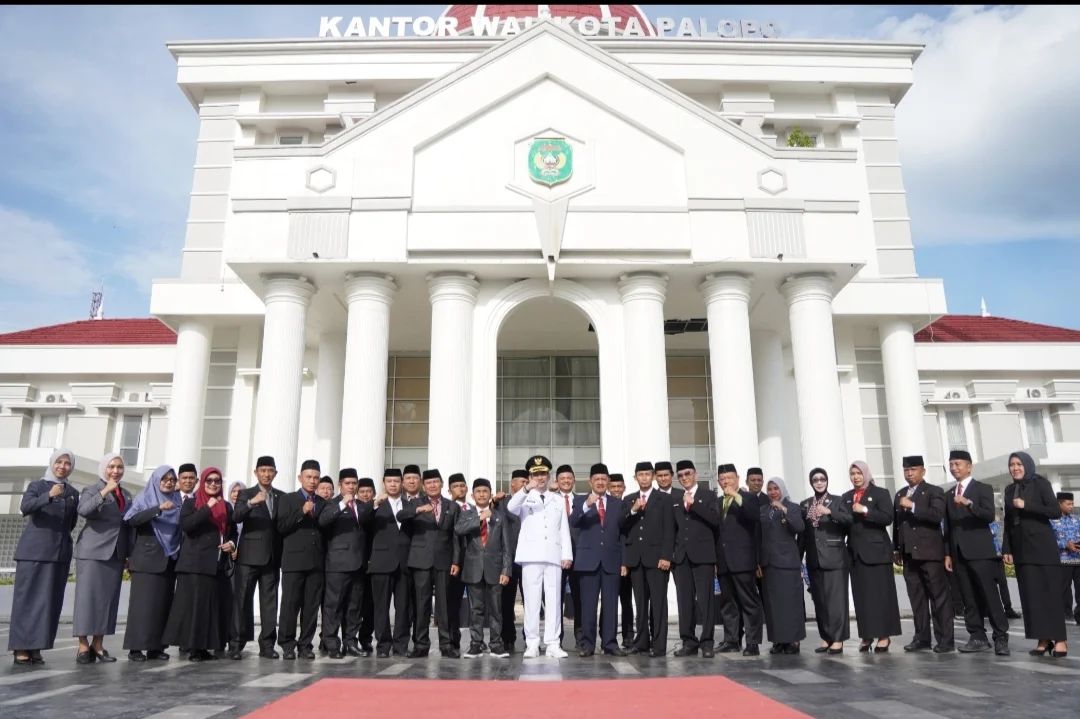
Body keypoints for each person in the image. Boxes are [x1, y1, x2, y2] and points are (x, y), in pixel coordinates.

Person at [8, 448, 80, 666]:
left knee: (49, 602)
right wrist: (48, 496)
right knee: (27, 601)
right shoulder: (37, 486)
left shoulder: (73, 492)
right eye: (59, 462)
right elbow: (26, 507)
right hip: (34, 551)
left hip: (59, 553)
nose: (62, 467)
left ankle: (37, 646)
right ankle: (21, 647)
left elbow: (72, 522)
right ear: (52, 463)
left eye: (67, 463)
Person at [163, 466, 237, 661]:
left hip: (216, 565)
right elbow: (187, 525)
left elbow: (232, 532)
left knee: (209, 608)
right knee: (194, 608)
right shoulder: (193, 502)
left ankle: (205, 647)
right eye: (209, 480)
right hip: (195, 564)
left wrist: (231, 543)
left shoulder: (226, 506)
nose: (213, 484)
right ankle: (193, 648)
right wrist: (208, 507)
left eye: (217, 481)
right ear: (202, 482)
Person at [506, 455, 573, 659]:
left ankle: (553, 643)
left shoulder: (557, 499)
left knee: (554, 601)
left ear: (549, 474)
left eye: (543, 473)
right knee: (532, 602)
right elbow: (511, 508)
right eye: (536, 474)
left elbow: (563, 529)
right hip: (531, 556)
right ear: (530, 476)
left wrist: (566, 554)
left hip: (553, 555)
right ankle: (532, 642)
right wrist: (526, 488)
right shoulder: (524, 496)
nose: (540, 477)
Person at [943, 449, 1009, 655]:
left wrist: (969, 503)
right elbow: (948, 527)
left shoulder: (982, 489)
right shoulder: (948, 494)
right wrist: (947, 553)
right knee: (968, 598)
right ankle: (977, 636)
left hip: (980, 552)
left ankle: (1001, 637)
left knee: (989, 595)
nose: (954, 468)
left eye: (958, 464)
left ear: (969, 466)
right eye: (951, 464)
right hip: (958, 553)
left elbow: (989, 515)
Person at [1003, 451, 1067, 657]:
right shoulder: (1009, 489)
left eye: (1019, 464)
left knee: (1049, 594)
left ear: (1027, 465)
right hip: (1022, 549)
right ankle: (1043, 638)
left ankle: (1060, 639)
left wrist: (1026, 505)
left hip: (1042, 548)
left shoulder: (1041, 484)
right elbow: (1007, 521)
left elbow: (1055, 512)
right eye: (1012, 464)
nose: (1015, 468)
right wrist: (1007, 548)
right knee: (1032, 596)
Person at [72, 452, 134, 664]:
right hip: (92, 552)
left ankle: (98, 644)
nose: (115, 471)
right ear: (103, 468)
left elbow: (127, 525)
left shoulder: (126, 494)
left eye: (119, 467)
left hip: (115, 554)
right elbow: (84, 510)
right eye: (111, 467)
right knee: (86, 599)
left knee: (108, 601)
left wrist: (128, 554)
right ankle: (82, 645)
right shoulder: (91, 489)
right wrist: (105, 490)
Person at [833, 460, 900, 653]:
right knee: (862, 597)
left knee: (880, 595)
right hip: (855, 553)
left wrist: (865, 510)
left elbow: (887, 517)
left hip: (876, 553)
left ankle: (884, 635)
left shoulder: (880, 493)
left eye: (859, 473)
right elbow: (845, 524)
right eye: (852, 473)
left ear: (866, 473)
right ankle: (867, 634)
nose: (856, 476)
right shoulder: (846, 497)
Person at [891, 455, 954, 654]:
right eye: (906, 470)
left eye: (914, 469)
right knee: (917, 599)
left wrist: (914, 506)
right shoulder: (900, 493)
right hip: (909, 554)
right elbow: (897, 524)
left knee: (938, 598)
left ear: (923, 471)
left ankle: (945, 639)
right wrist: (896, 548)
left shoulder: (934, 491)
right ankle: (922, 637)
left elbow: (937, 516)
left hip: (930, 553)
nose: (909, 473)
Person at [397, 468, 461, 658]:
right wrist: (417, 510)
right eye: (429, 483)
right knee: (421, 604)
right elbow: (400, 516)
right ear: (424, 486)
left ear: (442, 484)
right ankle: (421, 644)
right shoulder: (414, 503)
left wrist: (456, 560)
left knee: (444, 606)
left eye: (436, 482)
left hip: (444, 561)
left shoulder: (452, 506)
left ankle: (446, 644)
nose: (432, 485)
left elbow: (456, 537)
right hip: (420, 560)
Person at [229, 455, 286, 660]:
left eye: (270, 470)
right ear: (256, 472)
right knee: (242, 600)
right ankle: (235, 644)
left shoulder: (281, 496)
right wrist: (252, 503)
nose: (266, 474)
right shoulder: (246, 494)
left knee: (270, 603)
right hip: (248, 557)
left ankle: (268, 645)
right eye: (262, 470)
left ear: (275, 473)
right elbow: (236, 517)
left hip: (272, 557)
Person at [123, 465, 181, 661]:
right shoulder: (144, 498)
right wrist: (157, 509)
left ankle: (156, 647)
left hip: (169, 558)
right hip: (147, 559)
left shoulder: (177, 499)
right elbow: (131, 520)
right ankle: (136, 648)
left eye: (172, 479)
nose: (168, 482)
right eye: (164, 479)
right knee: (142, 606)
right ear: (155, 480)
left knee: (161, 606)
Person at [318, 468, 373, 659]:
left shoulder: (361, 505)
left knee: (354, 606)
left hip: (358, 563)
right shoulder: (331, 504)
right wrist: (342, 504)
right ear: (340, 484)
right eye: (347, 483)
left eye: (354, 483)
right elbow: (323, 521)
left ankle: (351, 641)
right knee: (333, 605)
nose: (351, 486)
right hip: (337, 564)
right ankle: (331, 642)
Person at [455, 478, 514, 658]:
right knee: (476, 609)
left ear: (490, 495)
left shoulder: (499, 516)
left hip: (495, 569)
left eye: (485, 491)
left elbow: (506, 546)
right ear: (473, 495)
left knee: (496, 609)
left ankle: (496, 643)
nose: (482, 494)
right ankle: (476, 643)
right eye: (478, 491)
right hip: (473, 569)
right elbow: (459, 529)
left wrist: (506, 570)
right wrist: (480, 517)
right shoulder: (467, 514)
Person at [621, 460, 673, 657]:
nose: (644, 478)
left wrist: (666, 555)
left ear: (652, 476)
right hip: (636, 559)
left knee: (658, 603)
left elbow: (669, 529)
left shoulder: (663, 499)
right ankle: (641, 641)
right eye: (640, 475)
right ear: (635, 478)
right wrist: (633, 509)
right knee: (640, 603)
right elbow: (622, 526)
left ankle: (659, 645)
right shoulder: (629, 499)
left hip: (657, 558)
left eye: (647, 474)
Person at [668, 461, 719, 657]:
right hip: (681, 556)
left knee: (705, 600)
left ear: (696, 475)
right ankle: (688, 641)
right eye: (680, 475)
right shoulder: (675, 498)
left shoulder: (708, 495)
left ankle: (707, 642)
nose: (684, 477)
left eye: (687, 473)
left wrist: (694, 504)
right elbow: (672, 529)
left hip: (703, 555)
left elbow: (715, 521)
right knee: (684, 601)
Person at [715, 463, 763, 656]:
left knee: (749, 602)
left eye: (729, 478)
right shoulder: (718, 502)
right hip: (724, 562)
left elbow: (753, 516)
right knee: (728, 604)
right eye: (723, 479)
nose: (726, 481)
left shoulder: (749, 498)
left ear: (737, 478)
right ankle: (732, 639)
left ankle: (752, 642)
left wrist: (736, 495)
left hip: (743, 561)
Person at [800, 468, 849, 654]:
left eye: (822, 479)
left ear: (827, 481)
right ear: (811, 482)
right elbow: (803, 535)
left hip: (834, 557)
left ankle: (838, 639)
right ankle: (826, 637)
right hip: (814, 559)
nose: (819, 482)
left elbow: (848, 519)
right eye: (815, 479)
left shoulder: (837, 500)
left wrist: (830, 512)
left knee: (836, 601)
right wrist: (798, 558)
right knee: (820, 600)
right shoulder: (805, 504)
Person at [757, 477, 805, 654]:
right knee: (773, 604)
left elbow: (799, 527)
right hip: (769, 563)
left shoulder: (792, 507)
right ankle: (778, 640)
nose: (772, 492)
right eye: (769, 489)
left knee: (790, 603)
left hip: (786, 563)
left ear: (782, 489)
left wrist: (784, 509)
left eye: (776, 488)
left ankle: (793, 640)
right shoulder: (763, 509)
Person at [497, 469, 527, 653]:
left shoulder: (533, 502)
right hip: (508, 559)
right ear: (512, 485)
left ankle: (530, 639)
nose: (525, 484)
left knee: (531, 602)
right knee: (506, 602)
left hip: (529, 560)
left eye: (527, 481)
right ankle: (507, 637)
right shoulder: (503, 503)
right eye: (521, 481)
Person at [605, 473, 636, 651]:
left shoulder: (630, 504)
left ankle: (628, 635)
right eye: (613, 487)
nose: (616, 490)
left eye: (619, 487)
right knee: (608, 600)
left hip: (628, 558)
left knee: (626, 599)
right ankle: (606, 635)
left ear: (624, 488)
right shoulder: (606, 505)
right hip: (610, 559)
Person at [553, 464, 582, 650]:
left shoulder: (582, 500)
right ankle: (557, 640)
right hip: (556, 557)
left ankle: (581, 638)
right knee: (556, 600)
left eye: (569, 478)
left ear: (574, 480)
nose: (566, 481)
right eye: (562, 478)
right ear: (557, 481)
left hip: (580, 557)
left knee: (580, 599)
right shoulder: (550, 500)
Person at [447, 473, 471, 650]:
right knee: (452, 602)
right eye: (456, 486)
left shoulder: (473, 508)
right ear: (449, 490)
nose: (460, 489)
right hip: (455, 561)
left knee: (477, 602)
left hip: (473, 561)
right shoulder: (447, 508)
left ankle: (477, 640)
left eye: (462, 485)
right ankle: (452, 637)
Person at [1050, 492, 1080, 626]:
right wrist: (1065, 545)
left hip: (1078, 560)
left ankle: (1078, 614)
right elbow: (1048, 541)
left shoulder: (1077, 519)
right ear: (1059, 504)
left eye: (1072, 504)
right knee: (1065, 589)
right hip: (1063, 560)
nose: (1071, 507)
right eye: (1068, 504)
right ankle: (1067, 614)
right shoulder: (1050, 521)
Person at [355, 478, 378, 656]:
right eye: (362, 491)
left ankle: (366, 638)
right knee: (354, 604)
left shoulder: (378, 510)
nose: (365, 494)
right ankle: (350, 638)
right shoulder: (352, 509)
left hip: (374, 563)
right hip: (354, 563)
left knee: (370, 605)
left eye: (369, 491)